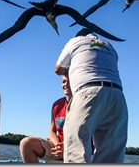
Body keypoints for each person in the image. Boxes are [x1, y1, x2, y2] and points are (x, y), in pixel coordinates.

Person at [55, 28, 128, 163]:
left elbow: (58, 69)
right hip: (117, 96)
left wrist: (72, 66)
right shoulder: (109, 45)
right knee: (111, 156)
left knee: (76, 151)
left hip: (88, 92)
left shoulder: (75, 41)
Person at [19, 74, 72, 163]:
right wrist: (58, 145)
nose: (66, 84)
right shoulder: (57, 105)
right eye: (63, 81)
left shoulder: (85, 103)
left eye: (69, 81)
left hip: (77, 148)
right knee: (26, 143)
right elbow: (52, 131)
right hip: (58, 147)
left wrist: (66, 148)